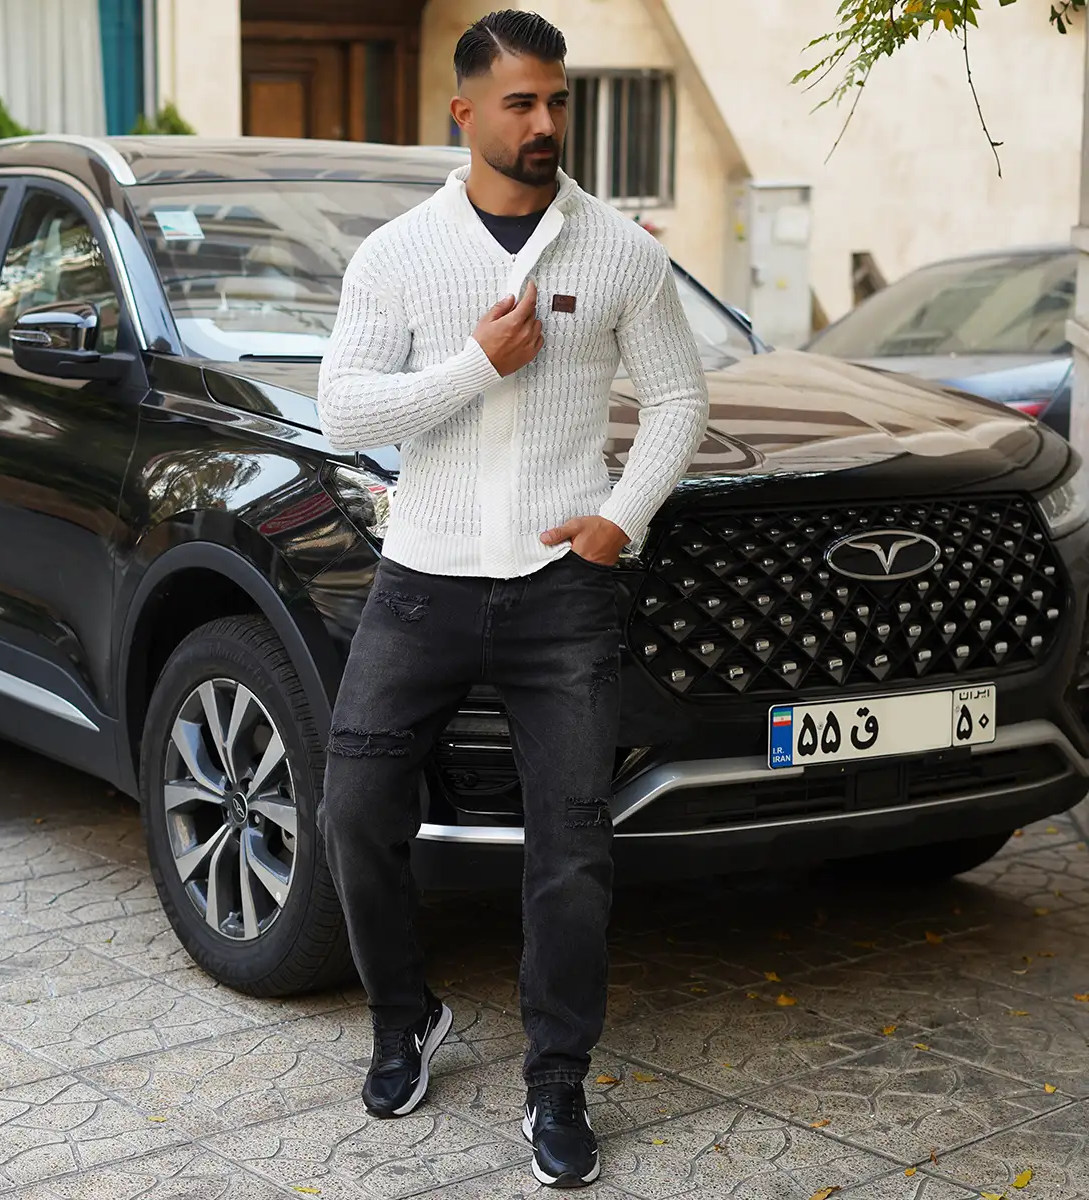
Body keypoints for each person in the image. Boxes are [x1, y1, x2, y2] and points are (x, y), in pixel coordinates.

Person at [316, 10, 708, 1189]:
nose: (545, 122)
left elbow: (680, 399)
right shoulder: (399, 253)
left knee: (572, 850)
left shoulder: (621, 252)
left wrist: (620, 518)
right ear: (465, 113)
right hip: (421, 583)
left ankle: (557, 1080)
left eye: (557, 101)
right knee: (353, 810)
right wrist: (477, 365)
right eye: (521, 102)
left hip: (561, 595)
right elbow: (344, 412)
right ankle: (404, 1018)